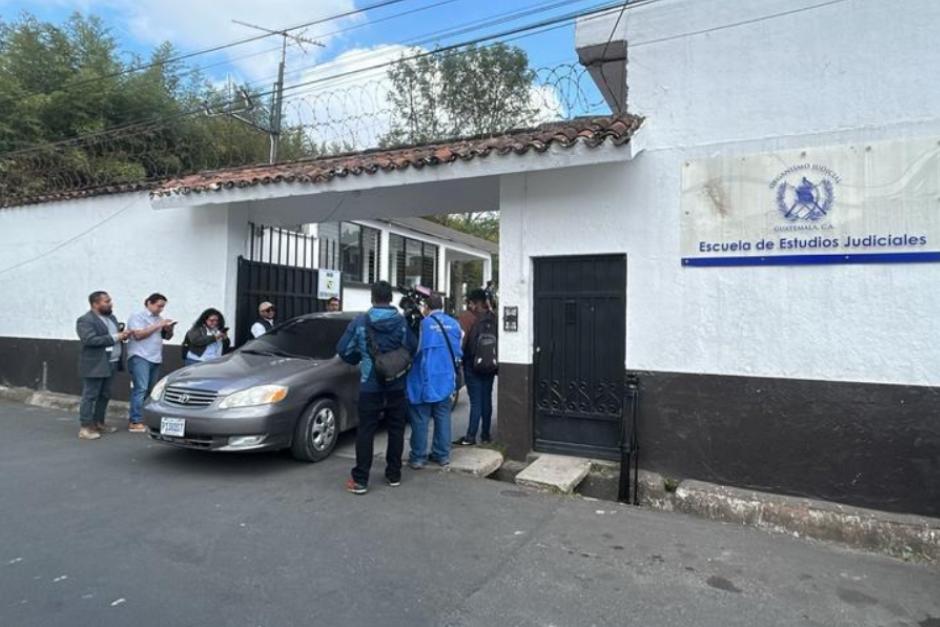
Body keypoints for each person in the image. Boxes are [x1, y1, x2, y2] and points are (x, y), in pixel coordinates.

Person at [336, 281, 417, 495]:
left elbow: (343, 349)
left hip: (370, 384)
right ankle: (394, 474)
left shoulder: (361, 321)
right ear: (390, 298)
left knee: (366, 431)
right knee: (396, 429)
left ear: (372, 297)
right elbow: (412, 346)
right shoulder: (401, 322)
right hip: (396, 382)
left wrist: (361, 358)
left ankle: (361, 480)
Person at [406, 294, 463, 469]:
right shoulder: (454, 324)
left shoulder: (423, 325)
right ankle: (442, 455)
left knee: (420, 419)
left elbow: (414, 350)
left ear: (427, 307)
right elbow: (459, 349)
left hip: (424, 379)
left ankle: (418, 457)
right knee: (443, 417)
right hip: (446, 379)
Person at [75, 291, 130, 440]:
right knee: (90, 395)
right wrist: (116, 337)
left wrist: (123, 335)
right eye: (106, 301)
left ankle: (99, 423)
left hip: (112, 362)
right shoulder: (85, 320)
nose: (110, 303)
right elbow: (90, 340)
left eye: (110, 301)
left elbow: (113, 337)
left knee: (105, 395)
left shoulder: (111, 318)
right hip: (95, 364)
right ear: (95, 304)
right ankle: (85, 427)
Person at [126, 293, 175, 432]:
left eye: (163, 307)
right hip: (140, 356)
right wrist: (158, 325)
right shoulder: (137, 316)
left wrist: (168, 329)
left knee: (150, 390)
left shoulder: (158, 319)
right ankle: (135, 421)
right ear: (149, 303)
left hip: (155, 357)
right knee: (140, 388)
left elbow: (167, 337)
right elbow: (138, 335)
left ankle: (144, 418)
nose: (161, 309)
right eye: (159, 306)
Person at [456, 288, 498, 445]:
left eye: (469, 302)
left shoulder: (467, 317)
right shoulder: (492, 317)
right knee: (486, 399)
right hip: (490, 365)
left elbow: (461, 340)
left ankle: (471, 436)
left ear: (474, 303)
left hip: (472, 364)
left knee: (475, 401)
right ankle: (486, 435)